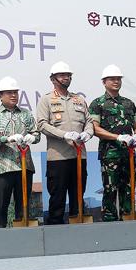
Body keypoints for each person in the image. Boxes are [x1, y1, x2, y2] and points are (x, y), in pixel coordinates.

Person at [35, 61, 94, 224]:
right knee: (57, 199)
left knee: (78, 198)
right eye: (62, 75)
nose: (66, 78)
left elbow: (89, 121)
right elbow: (41, 124)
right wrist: (64, 134)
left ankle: (80, 234)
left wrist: (88, 133)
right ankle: (55, 234)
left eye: (68, 75)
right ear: (53, 79)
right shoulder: (46, 100)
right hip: (58, 158)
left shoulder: (79, 99)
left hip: (79, 157)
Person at [89, 65, 136, 221]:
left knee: (129, 189)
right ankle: (110, 223)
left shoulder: (128, 103)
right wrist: (117, 137)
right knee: (110, 190)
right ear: (104, 82)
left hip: (129, 154)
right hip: (109, 155)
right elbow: (95, 129)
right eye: (112, 79)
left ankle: (128, 220)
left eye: (118, 79)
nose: (116, 81)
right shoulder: (97, 103)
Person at [0, 76, 39, 228]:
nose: (13, 95)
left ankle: (25, 239)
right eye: (9, 92)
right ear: (0, 95)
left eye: (15, 92)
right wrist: (7, 139)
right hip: (3, 167)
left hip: (24, 166)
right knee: (1, 207)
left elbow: (37, 134)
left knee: (24, 207)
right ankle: (0, 238)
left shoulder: (26, 113)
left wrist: (31, 137)